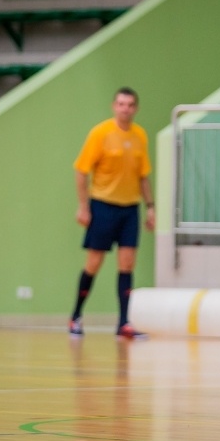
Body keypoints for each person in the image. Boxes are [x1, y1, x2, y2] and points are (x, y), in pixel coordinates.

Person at [69, 87, 155, 339]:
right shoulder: (101, 133)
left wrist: (150, 207)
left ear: (135, 108)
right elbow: (80, 170)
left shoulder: (140, 135)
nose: (125, 108)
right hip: (103, 206)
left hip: (129, 209)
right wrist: (84, 206)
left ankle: (123, 323)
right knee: (94, 262)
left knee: (127, 264)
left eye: (130, 104)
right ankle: (75, 316)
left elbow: (143, 176)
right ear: (114, 106)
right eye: (121, 104)